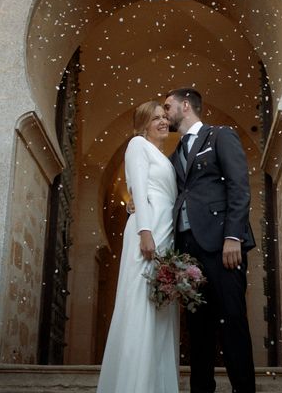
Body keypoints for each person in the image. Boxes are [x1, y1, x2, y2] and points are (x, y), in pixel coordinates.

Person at [164, 87, 256, 393]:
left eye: (168, 106)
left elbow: (239, 187)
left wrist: (233, 236)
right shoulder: (173, 155)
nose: (165, 113)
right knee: (197, 330)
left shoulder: (220, 136)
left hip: (222, 245)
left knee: (232, 321)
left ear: (186, 106)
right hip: (187, 252)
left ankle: (244, 389)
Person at [97, 100, 179, 393]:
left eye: (164, 117)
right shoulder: (137, 145)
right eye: (155, 118)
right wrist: (145, 231)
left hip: (165, 236)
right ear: (143, 124)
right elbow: (140, 190)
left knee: (160, 312)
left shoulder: (163, 157)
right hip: (149, 234)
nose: (162, 122)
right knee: (141, 306)